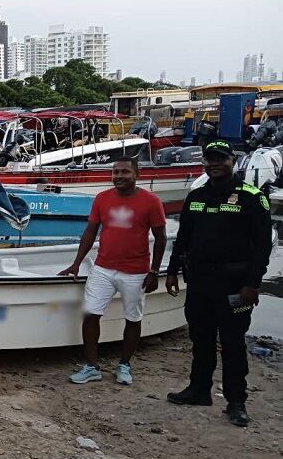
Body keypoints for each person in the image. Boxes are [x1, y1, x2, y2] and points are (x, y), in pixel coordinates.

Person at [165, 139, 272, 427]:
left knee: (233, 343)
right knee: (200, 338)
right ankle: (199, 390)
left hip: (235, 284)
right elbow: (183, 238)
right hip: (199, 281)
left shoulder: (251, 197)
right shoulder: (196, 196)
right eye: (209, 159)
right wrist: (173, 270)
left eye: (220, 159)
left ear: (232, 160)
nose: (214, 164)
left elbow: (263, 247)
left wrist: (253, 284)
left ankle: (236, 402)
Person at [59, 157, 167, 385]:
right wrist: (77, 262)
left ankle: (124, 365)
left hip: (136, 271)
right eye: (116, 172)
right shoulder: (102, 198)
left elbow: (160, 238)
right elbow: (90, 232)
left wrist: (154, 272)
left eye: (125, 172)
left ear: (137, 174)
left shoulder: (151, 201)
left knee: (133, 318)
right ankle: (91, 366)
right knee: (90, 315)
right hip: (103, 268)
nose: (119, 176)